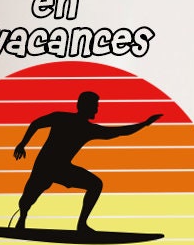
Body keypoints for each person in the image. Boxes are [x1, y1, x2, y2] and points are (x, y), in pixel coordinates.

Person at [11, 92, 162, 233]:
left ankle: (81, 225)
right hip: (45, 166)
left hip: (62, 168)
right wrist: (22, 144)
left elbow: (119, 132)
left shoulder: (87, 128)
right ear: (84, 106)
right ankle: (22, 219)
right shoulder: (62, 118)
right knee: (27, 199)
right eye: (94, 105)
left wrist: (144, 124)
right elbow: (36, 123)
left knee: (95, 184)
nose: (96, 109)